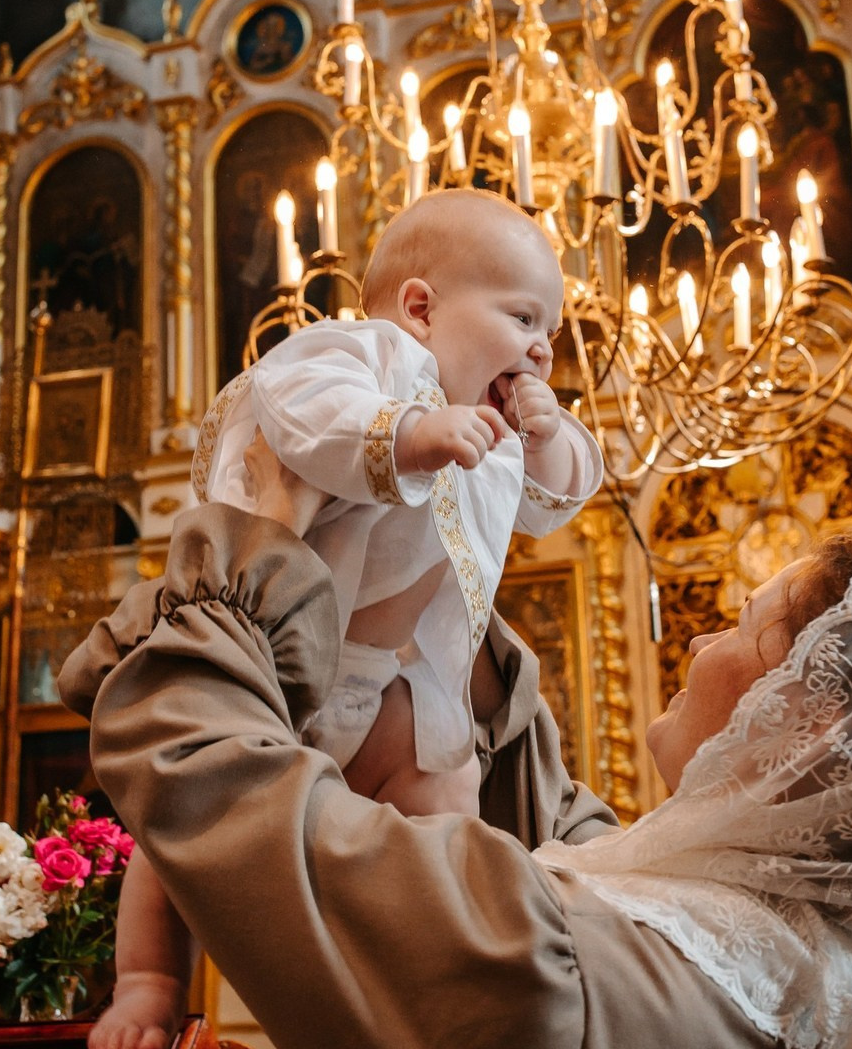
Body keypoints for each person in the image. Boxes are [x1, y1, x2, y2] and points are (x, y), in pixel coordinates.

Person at [60, 439, 852, 1049]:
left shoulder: (560, 974)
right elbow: (547, 820)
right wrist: (422, 569)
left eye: (741, 621)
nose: (703, 638)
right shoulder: (747, 963)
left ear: (802, 729)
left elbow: (215, 787)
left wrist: (258, 533)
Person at [68, 188, 603, 1048]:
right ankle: (148, 983)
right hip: (295, 677)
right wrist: (412, 433)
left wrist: (547, 437)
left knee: (448, 817)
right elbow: (299, 401)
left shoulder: (499, 424)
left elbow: (558, 496)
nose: (543, 346)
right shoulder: (369, 356)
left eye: (552, 328)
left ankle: (437, 987)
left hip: (402, 690)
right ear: (422, 310)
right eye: (522, 316)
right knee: (190, 824)